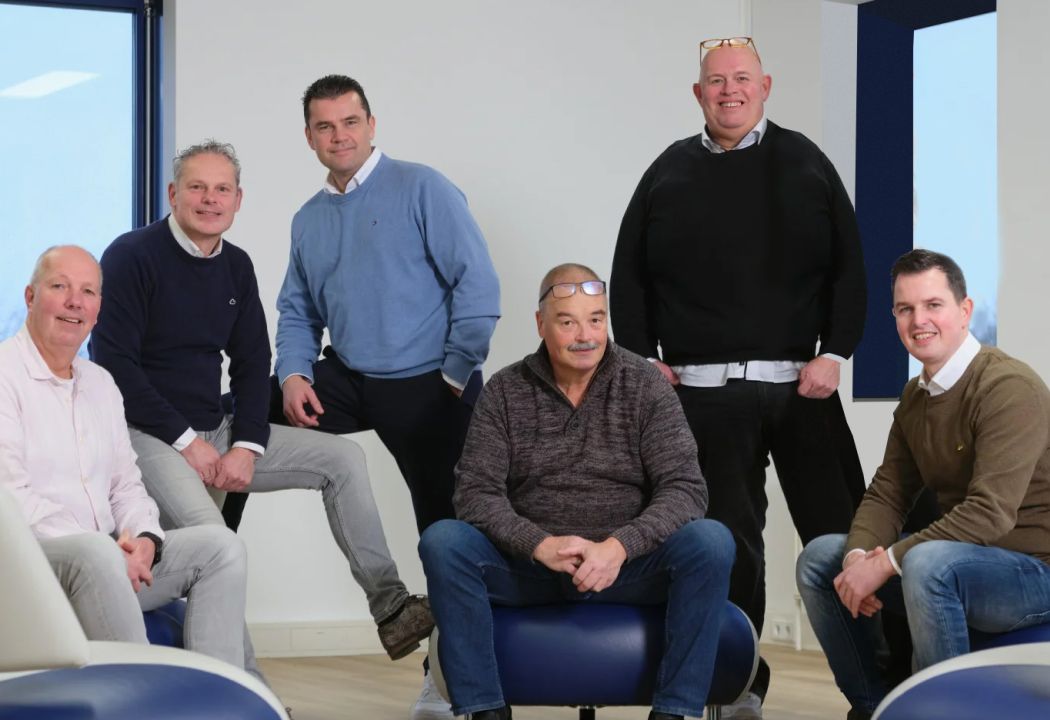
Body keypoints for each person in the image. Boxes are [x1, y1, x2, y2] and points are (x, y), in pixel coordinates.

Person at [89, 140, 432, 664]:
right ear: (173, 194)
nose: (210, 199)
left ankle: (391, 609)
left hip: (214, 428)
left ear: (238, 199)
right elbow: (115, 366)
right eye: (197, 188)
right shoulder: (131, 255)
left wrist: (246, 445)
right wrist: (188, 443)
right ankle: (248, 690)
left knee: (343, 459)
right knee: (217, 546)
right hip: (148, 436)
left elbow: (252, 363)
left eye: (222, 189)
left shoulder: (236, 265)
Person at [609, 36, 867, 716]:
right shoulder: (667, 172)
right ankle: (739, 683)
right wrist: (640, 360)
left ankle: (883, 686)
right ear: (699, 93)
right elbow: (628, 277)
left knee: (846, 539)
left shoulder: (806, 162)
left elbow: (850, 266)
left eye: (742, 78)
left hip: (802, 386)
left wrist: (837, 353)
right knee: (728, 546)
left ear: (765, 86)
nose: (730, 91)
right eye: (717, 81)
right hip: (703, 396)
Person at [265, 75, 500, 718]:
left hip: (432, 382)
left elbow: (478, 287)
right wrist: (294, 374)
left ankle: (446, 681)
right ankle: (204, 571)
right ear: (309, 137)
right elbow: (296, 311)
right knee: (239, 417)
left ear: (372, 125)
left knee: (447, 536)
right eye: (324, 126)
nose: (338, 136)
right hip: (349, 378)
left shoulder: (423, 188)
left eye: (350, 122)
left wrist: (455, 374)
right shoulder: (309, 219)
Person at [419, 264, 734, 720]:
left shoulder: (645, 385)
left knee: (711, 541)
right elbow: (475, 494)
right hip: (531, 569)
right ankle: (486, 710)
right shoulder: (505, 390)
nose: (585, 335)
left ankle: (674, 712)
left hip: (627, 568)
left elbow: (685, 489)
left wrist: (618, 548)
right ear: (541, 324)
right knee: (444, 541)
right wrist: (539, 544)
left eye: (596, 319)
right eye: (568, 322)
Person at [797, 249, 1050, 720]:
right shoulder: (916, 396)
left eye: (933, 305)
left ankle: (943, 714)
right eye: (905, 308)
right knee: (819, 559)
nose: (919, 321)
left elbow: (989, 514)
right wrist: (857, 559)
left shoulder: (1008, 387)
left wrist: (886, 563)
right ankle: (876, 708)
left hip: (1034, 573)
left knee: (927, 562)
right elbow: (887, 493)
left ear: (965, 310)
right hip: (963, 565)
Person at [0, 245, 249, 669]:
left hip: (109, 560)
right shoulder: (6, 375)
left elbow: (126, 486)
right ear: (30, 297)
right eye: (59, 287)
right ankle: (142, 695)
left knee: (221, 546)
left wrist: (145, 541)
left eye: (88, 292)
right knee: (95, 555)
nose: (75, 301)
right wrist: (108, 552)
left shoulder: (101, 384)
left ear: (98, 309)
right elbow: (11, 500)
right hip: (31, 564)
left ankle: (218, 693)